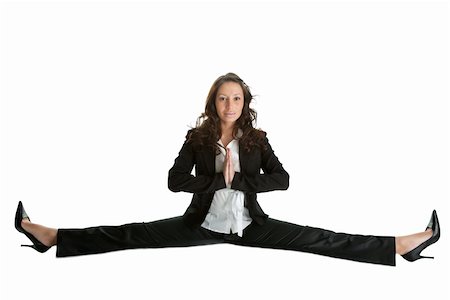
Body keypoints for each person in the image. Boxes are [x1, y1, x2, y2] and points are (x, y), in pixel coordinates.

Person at [15, 72, 440, 266]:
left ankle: (401, 246)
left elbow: (284, 179)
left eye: (236, 99)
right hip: (201, 224)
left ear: (245, 103)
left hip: (251, 225)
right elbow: (174, 182)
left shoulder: (257, 140)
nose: (229, 105)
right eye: (223, 98)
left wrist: (245, 181)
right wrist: (219, 179)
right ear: (212, 103)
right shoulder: (197, 139)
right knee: (133, 233)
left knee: (320, 239)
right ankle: (50, 238)